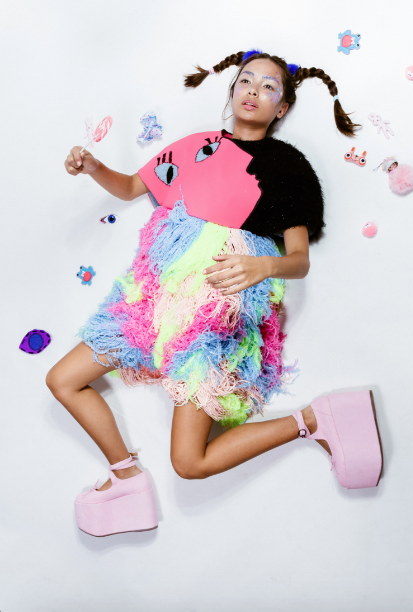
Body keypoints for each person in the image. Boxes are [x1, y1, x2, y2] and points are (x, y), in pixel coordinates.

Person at [46, 50, 383, 537]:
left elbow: (299, 260)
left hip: (213, 312)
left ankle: (313, 420)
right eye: (246, 80)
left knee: (189, 463)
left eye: (268, 87)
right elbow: (130, 187)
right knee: (63, 379)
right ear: (233, 89)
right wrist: (94, 166)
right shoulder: (195, 147)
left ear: (282, 107)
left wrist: (263, 265)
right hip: (154, 301)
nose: (253, 91)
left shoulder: (288, 168)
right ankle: (126, 477)